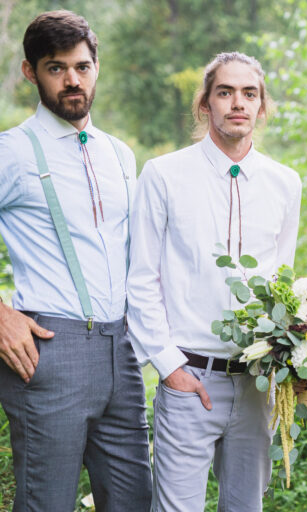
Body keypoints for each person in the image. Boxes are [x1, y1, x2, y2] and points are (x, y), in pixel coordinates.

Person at [127, 52, 302, 511]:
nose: (238, 103)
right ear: (205, 103)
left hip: (257, 386)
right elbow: (141, 279)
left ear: (262, 105)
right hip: (189, 377)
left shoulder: (285, 183)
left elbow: (279, 283)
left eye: (249, 93)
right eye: (225, 92)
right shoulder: (163, 175)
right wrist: (170, 367)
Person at [0, 10, 152, 511]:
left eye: (82, 67)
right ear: (30, 72)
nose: (72, 80)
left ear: (96, 68)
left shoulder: (120, 155)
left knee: (134, 500)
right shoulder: (13, 152)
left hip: (121, 351)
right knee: (46, 503)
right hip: (50, 349)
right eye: (56, 68)